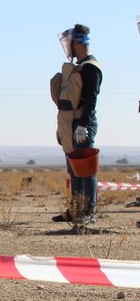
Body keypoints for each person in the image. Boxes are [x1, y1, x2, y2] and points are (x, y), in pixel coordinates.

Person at [50, 24, 102, 225]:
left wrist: (83, 125)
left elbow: (91, 100)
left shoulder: (91, 68)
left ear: (78, 42)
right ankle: (75, 209)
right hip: (69, 123)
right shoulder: (78, 68)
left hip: (82, 124)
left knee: (86, 169)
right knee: (73, 169)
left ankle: (88, 211)